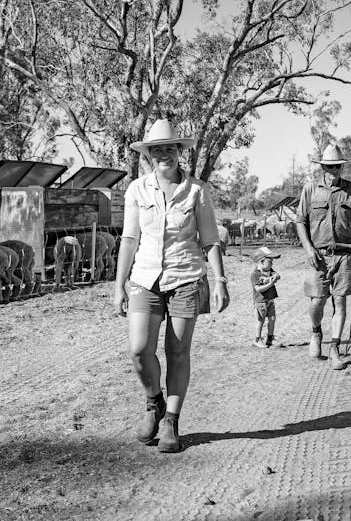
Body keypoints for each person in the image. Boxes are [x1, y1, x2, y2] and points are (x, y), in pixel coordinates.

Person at [113, 118, 229, 453]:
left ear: (180, 151)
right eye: (157, 149)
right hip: (145, 279)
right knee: (139, 350)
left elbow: (209, 239)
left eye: (170, 148)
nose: (164, 154)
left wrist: (220, 280)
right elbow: (129, 239)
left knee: (178, 352)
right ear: (149, 154)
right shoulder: (137, 189)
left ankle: (172, 423)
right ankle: (154, 402)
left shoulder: (196, 191)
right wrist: (119, 285)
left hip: (187, 278)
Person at [295, 144, 351, 370]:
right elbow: (300, 222)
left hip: (345, 255)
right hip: (318, 256)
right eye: (329, 166)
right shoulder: (310, 189)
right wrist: (308, 249)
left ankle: (335, 347)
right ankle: (316, 332)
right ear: (322, 167)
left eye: (337, 166)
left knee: (340, 301)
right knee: (317, 301)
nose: (333, 170)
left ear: (341, 167)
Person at [250, 246, 281, 349]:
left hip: (270, 300)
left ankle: (270, 339)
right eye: (270, 261)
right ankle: (257, 340)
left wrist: (273, 277)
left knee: (272, 319)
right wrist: (271, 283)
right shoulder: (255, 274)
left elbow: (277, 275)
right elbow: (258, 289)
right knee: (260, 321)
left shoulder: (269, 271)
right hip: (260, 302)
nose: (272, 263)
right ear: (262, 261)